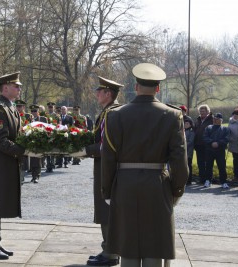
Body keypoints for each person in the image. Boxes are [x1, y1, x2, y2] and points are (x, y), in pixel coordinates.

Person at [101, 63, 188, 267]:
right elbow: (179, 159)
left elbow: (108, 158)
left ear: (136, 86)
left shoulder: (115, 115)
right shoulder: (172, 115)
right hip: (157, 184)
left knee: (128, 243)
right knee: (155, 244)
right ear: (158, 88)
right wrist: (177, 189)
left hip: (124, 184)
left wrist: (107, 190)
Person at [0, 72, 36, 260]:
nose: (19, 89)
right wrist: (23, 150)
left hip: (8, 161)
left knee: (1, 203)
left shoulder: (9, 107)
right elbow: (0, 141)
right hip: (1, 161)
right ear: (5, 88)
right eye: (16, 86)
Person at [70, 76, 123, 266]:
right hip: (104, 166)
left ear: (108, 93)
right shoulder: (108, 112)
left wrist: (84, 151)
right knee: (104, 209)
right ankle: (108, 249)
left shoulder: (112, 113)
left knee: (106, 209)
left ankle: (110, 252)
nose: (96, 94)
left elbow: (107, 145)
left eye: (99, 91)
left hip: (108, 168)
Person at [203, 113, 230, 189]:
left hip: (220, 150)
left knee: (222, 166)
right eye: (214, 118)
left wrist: (218, 143)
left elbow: (227, 138)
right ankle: (208, 180)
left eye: (217, 119)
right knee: (208, 166)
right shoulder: (208, 127)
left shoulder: (225, 129)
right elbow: (205, 137)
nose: (215, 120)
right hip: (209, 150)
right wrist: (212, 142)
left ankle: (224, 182)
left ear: (221, 120)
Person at [194, 104, 213, 184]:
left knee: (208, 163)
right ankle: (202, 179)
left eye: (203, 111)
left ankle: (208, 179)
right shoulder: (198, 120)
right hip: (198, 145)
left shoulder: (211, 120)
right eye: (201, 111)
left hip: (207, 145)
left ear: (207, 112)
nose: (202, 113)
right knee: (200, 163)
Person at [29, 104, 48, 183]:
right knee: (32, 158)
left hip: (40, 141)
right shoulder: (29, 119)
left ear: (38, 112)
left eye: (35, 111)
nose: (33, 112)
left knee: (38, 158)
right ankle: (33, 175)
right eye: (32, 111)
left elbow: (47, 129)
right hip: (31, 141)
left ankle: (37, 175)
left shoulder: (43, 119)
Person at [45, 102, 60, 173]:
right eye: (49, 107)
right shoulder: (45, 115)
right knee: (47, 150)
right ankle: (48, 165)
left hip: (54, 133)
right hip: (46, 134)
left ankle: (52, 163)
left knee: (53, 149)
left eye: (51, 107)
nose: (50, 108)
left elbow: (59, 125)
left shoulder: (57, 116)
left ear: (54, 107)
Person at [184, 118, 195, 185]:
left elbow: (191, 142)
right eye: (185, 123)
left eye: (187, 123)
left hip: (188, 151)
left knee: (188, 165)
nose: (185, 124)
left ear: (190, 124)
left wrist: (183, 146)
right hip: (182, 152)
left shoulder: (191, 131)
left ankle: (189, 180)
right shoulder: (182, 131)